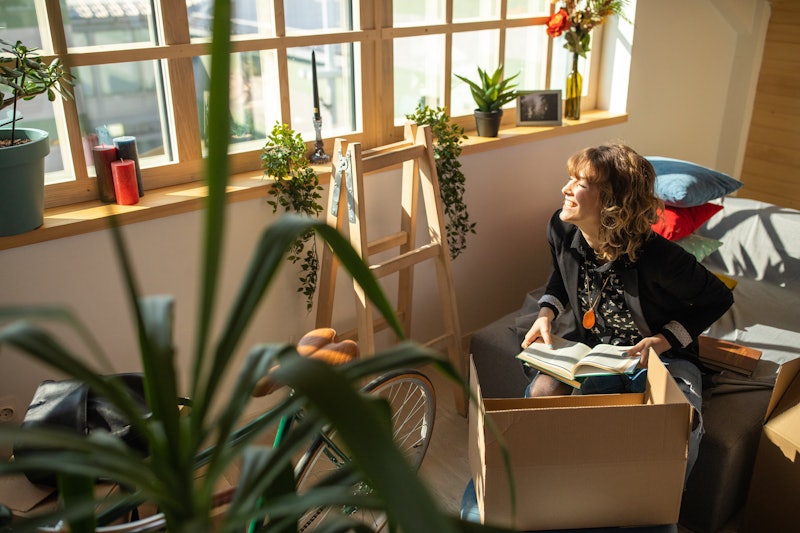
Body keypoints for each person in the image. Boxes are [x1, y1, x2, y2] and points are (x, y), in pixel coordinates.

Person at [522, 143, 734, 480]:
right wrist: (546, 312)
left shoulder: (661, 259)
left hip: (661, 355)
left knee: (681, 424)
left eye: (580, 183)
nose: (565, 189)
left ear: (611, 201)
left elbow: (719, 298)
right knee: (541, 393)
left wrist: (664, 340)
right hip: (594, 350)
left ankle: (661, 506)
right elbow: (561, 275)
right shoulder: (561, 229)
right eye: (569, 178)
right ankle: (539, 478)